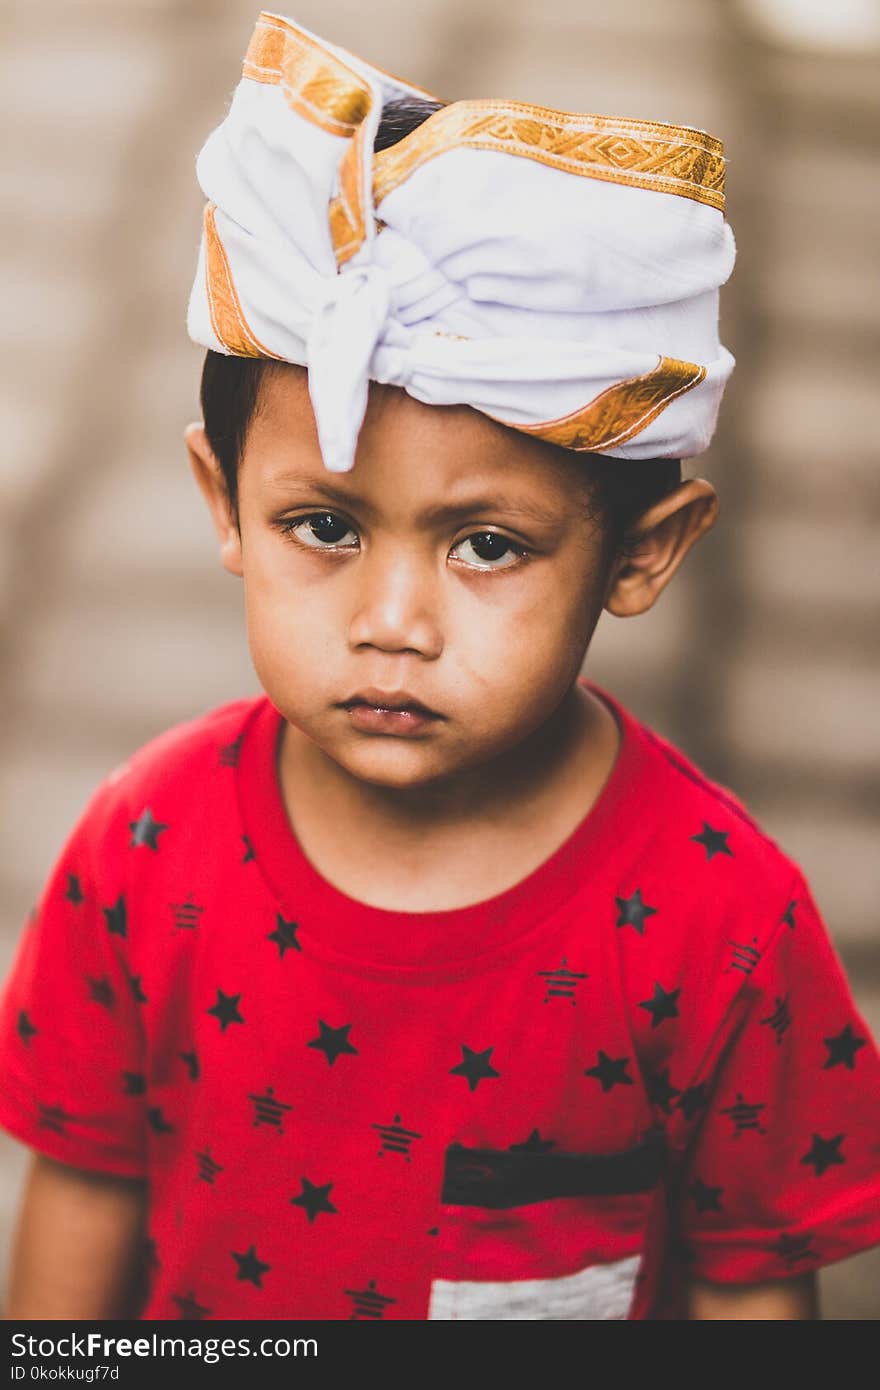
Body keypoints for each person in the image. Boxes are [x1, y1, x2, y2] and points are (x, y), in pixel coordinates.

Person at [1, 10, 878, 1323]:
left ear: (645, 554)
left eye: (485, 544)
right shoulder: (147, 847)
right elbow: (84, 1187)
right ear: (224, 499)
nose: (393, 618)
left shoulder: (718, 924)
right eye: (326, 526)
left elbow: (754, 1289)